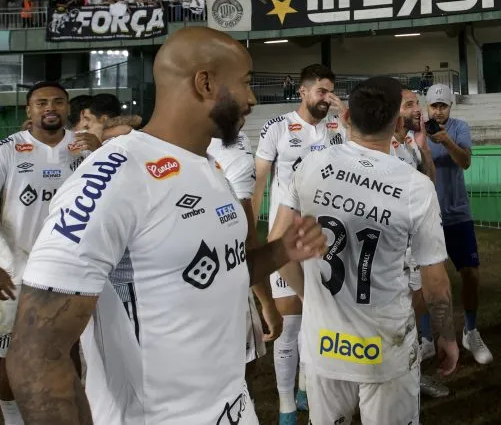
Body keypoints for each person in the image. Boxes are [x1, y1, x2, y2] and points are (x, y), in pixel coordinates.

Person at [7, 27, 326, 424]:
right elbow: (36, 352)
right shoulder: (113, 176)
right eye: (245, 83)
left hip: (234, 408)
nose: (251, 98)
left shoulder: (209, 168)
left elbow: (220, 272)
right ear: (205, 83)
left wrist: (281, 251)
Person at [272, 76, 458, 425]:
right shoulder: (415, 186)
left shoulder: (308, 167)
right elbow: (434, 281)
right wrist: (446, 335)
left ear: (345, 119)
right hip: (385, 349)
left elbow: (280, 246)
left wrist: (311, 298)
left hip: (323, 345)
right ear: (397, 123)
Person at [253, 63, 346, 425]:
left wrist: (347, 118)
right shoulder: (276, 128)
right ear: (303, 91)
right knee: (290, 327)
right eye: (321, 91)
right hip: (286, 244)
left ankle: (307, 386)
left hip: (326, 243)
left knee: (317, 322)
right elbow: (259, 181)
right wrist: (253, 227)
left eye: (331, 91)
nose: (327, 98)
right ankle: (286, 406)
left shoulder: (339, 127)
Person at [0, 81, 97, 425]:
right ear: (29, 111)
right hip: (14, 272)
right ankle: (12, 418)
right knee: (8, 355)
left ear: (68, 107)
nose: (50, 108)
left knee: (66, 351)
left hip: (71, 272)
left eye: (57, 101)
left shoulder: (87, 149)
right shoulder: (8, 150)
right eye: (41, 103)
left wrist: (100, 151)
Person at [423, 83, 493, 364]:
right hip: (427, 217)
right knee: (428, 281)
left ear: (450, 107)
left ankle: (470, 330)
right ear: (427, 106)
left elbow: (465, 162)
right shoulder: (417, 131)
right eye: (434, 106)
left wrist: (446, 141)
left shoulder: (459, 127)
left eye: (443, 106)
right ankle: (428, 337)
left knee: (471, 274)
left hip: (457, 214)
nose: (439, 111)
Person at [208, 128, 281, 389]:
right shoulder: (233, 157)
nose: (250, 99)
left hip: (177, 302)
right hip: (226, 290)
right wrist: (267, 303)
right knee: (239, 377)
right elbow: (246, 238)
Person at [390, 89, 448, 400]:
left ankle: (411, 376)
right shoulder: (384, 146)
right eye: (410, 105)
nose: (419, 111)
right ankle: (401, 377)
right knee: (401, 314)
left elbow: (429, 181)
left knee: (412, 312)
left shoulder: (411, 141)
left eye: (417, 104)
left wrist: (424, 147)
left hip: (414, 243)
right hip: (395, 247)